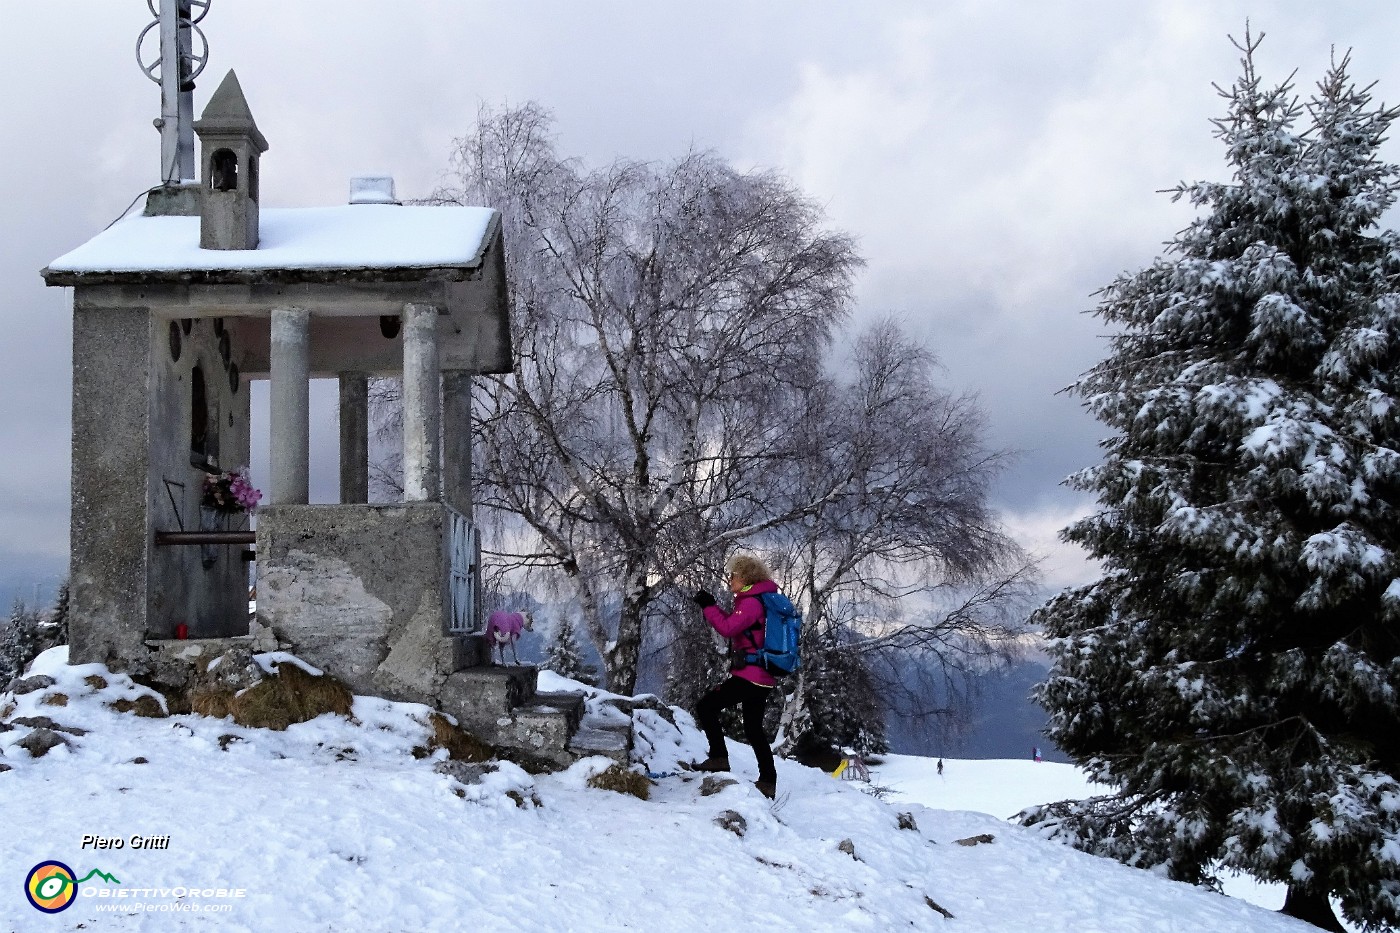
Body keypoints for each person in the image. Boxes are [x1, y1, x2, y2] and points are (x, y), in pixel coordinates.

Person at [690, 554, 781, 799]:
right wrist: (713, 607)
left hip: (750, 675)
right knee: (753, 728)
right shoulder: (758, 599)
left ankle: (719, 757)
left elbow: (728, 628)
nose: (730, 579)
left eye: (734, 575)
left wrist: (708, 606)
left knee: (706, 707)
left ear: (746, 578)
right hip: (762, 675)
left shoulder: (752, 603)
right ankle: (768, 781)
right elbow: (734, 624)